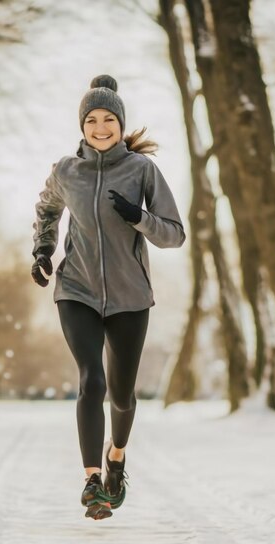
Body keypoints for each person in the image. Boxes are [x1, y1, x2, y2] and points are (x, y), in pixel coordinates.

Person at [31, 74, 185, 520]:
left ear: (120, 124)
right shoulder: (66, 170)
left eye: (109, 119)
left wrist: (139, 217)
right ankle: (92, 481)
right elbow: (47, 209)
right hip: (76, 290)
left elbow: (175, 235)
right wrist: (43, 250)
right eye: (92, 120)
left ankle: (117, 456)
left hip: (130, 297)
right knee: (90, 382)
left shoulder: (142, 171)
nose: (100, 128)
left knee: (121, 395)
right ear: (81, 125)